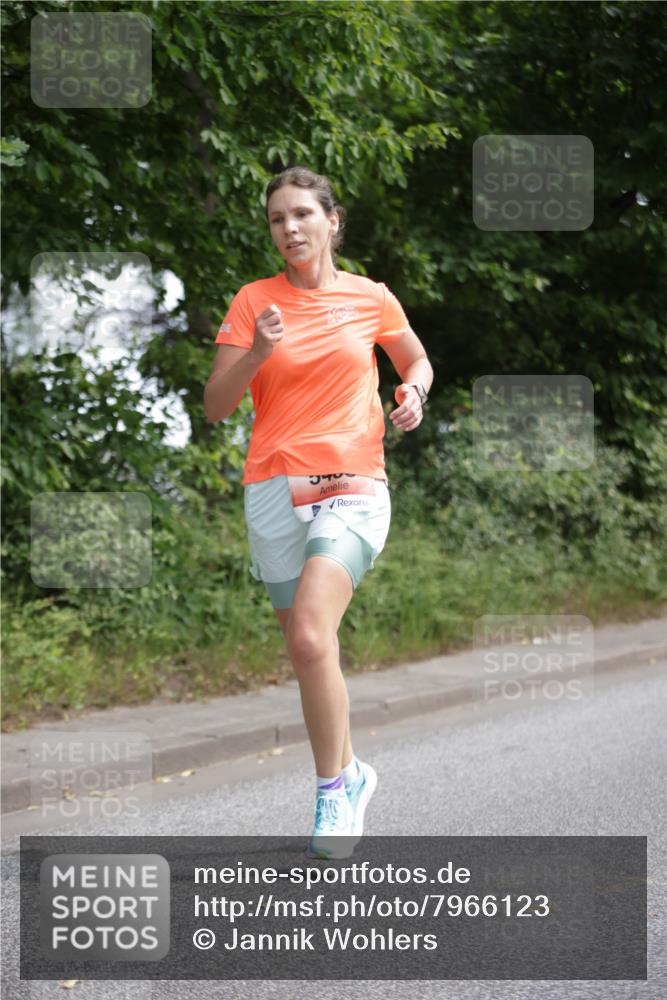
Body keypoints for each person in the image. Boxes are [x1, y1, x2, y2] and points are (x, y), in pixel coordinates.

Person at [204, 166, 433, 859]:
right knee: (311, 652)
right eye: (277, 219)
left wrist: (413, 393)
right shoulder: (252, 302)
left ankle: (332, 791)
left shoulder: (370, 298)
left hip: (351, 476)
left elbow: (414, 359)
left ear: (332, 221)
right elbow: (216, 405)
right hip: (271, 484)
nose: (289, 229)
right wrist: (260, 353)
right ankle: (354, 770)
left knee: (308, 634)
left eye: (302, 214)